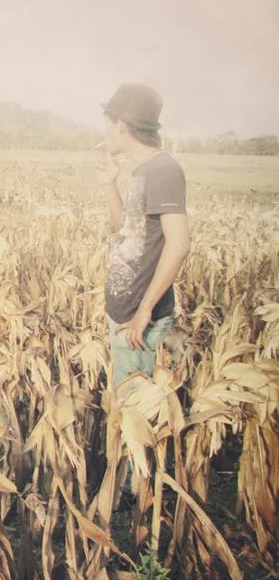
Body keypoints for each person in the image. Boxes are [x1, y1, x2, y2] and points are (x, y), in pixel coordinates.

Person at [96, 83, 191, 388]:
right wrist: (109, 182)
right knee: (126, 397)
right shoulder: (145, 169)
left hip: (139, 320)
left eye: (108, 122)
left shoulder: (163, 170)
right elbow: (129, 229)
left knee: (135, 403)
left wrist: (145, 309)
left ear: (121, 125)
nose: (105, 130)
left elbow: (179, 244)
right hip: (127, 312)